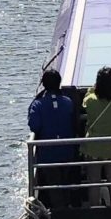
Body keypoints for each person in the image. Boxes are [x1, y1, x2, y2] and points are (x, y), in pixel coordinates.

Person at [27, 68, 81, 203]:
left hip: (48, 154)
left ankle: (58, 215)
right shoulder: (68, 102)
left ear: (44, 84)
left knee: (54, 186)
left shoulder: (37, 105)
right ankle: (68, 209)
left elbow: (34, 125)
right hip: (67, 152)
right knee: (65, 182)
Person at [80, 67, 111, 203]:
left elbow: (85, 100)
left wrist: (93, 88)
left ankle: (95, 210)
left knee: (94, 183)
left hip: (94, 147)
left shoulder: (91, 101)